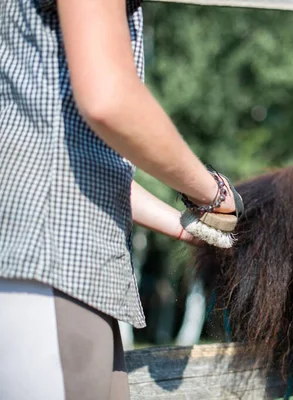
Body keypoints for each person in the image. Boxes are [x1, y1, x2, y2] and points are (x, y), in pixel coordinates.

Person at [0, 0, 240, 399]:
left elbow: (77, 161)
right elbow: (109, 100)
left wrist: (187, 228)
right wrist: (212, 192)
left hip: (58, 258)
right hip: (50, 253)